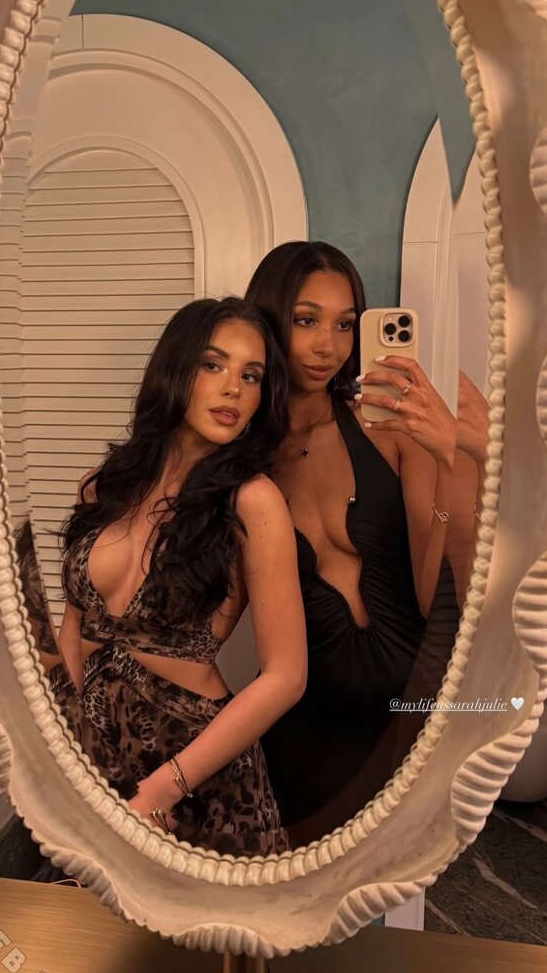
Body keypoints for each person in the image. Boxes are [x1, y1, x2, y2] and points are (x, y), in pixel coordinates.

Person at [48, 297, 307, 858]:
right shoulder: (102, 486)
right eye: (213, 365)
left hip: (197, 775)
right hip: (92, 760)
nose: (233, 388)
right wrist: (66, 748)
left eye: (251, 376)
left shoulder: (252, 501)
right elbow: (74, 629)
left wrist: (160, 791)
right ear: (175, 369)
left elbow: (287, 676)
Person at [245, 241, 461, 843]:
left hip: (409, 716)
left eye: (345, 324)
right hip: (304, 728)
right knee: (298, 890)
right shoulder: (241, 458)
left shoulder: (386, 427)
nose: (329, 346)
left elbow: (432, 594)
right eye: (306, 320)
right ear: (268, 320)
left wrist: (448, 456)